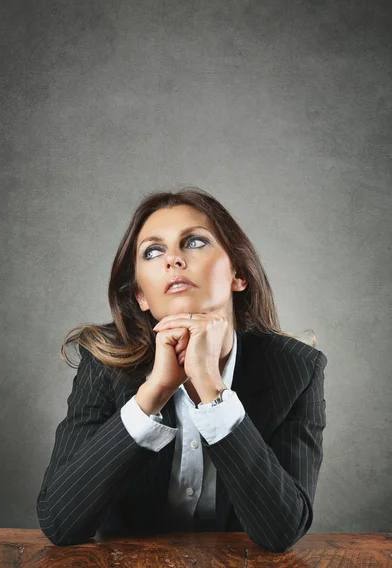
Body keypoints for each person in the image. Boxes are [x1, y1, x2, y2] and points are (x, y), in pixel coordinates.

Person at [36, 186, 327, 553]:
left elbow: (282, 530)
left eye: (194, 242)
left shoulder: (298, 369)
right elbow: (60, 522)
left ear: (238, 273)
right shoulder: (105, 361)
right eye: (153, 251)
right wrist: (152, 394)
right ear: (142, 295)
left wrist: (211, 387)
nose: (172, 259)